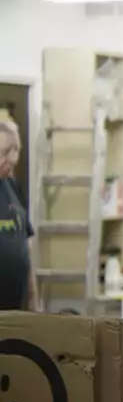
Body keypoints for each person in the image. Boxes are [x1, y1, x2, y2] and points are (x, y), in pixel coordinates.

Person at [0, 121, 36, 312]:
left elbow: (26, 244)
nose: (13, 159)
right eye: (6, 151)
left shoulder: (13, 186)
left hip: (15, 311)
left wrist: (33, 298)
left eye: (16, 150)